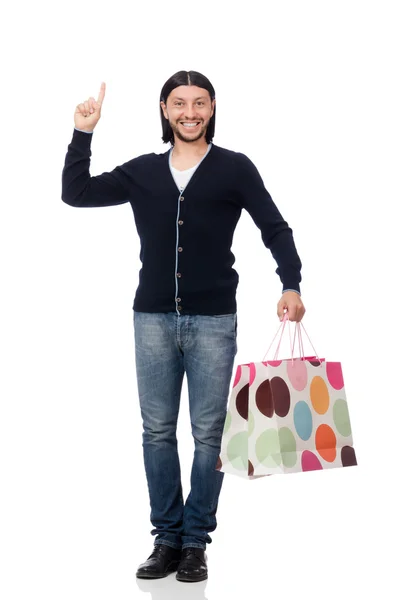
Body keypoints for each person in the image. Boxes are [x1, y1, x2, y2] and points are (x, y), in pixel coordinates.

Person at [61, 70, 306, 583]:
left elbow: (274, 227)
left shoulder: (234, 168)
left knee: (209, 434)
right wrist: (84, 132)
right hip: (151, 319)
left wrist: (291, 284)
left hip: (214, 320)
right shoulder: (143, 172)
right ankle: (165, 539)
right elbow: (77, 193)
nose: (189, 112)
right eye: (179, 103)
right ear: (165, 109)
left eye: (199, 103)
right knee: (156, 433)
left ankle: (195, 541)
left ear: (212, 108)